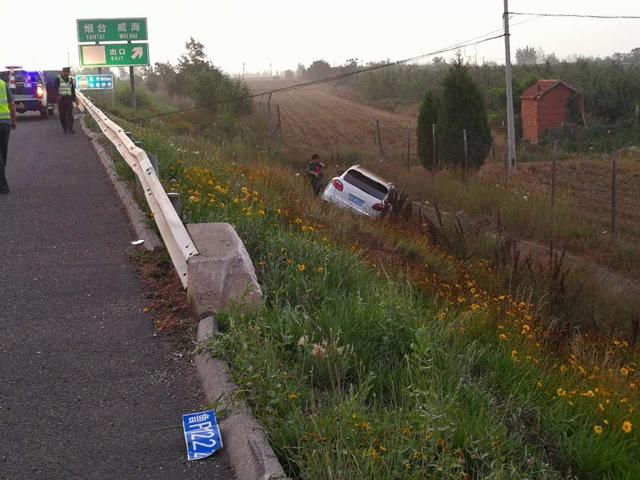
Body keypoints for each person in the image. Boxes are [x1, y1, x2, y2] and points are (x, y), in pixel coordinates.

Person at [0, 75, 17, 194]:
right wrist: (13, 120)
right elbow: (11, 103)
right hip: (5, 123)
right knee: (3, 153)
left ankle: (3, 186)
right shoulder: (2, 83)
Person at [55, 67, 76, 134]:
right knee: (62, 115)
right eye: (66, 72)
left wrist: (74, 98)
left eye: (68, 72)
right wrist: (57, 95)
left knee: (69, 114)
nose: (67, 73)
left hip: (69, 98)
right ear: (62, 72)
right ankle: (65, 128)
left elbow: (72, 89)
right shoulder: (58, 79)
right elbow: (55, 88)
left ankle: (70, 129)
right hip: (61, 99)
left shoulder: (70, 79)